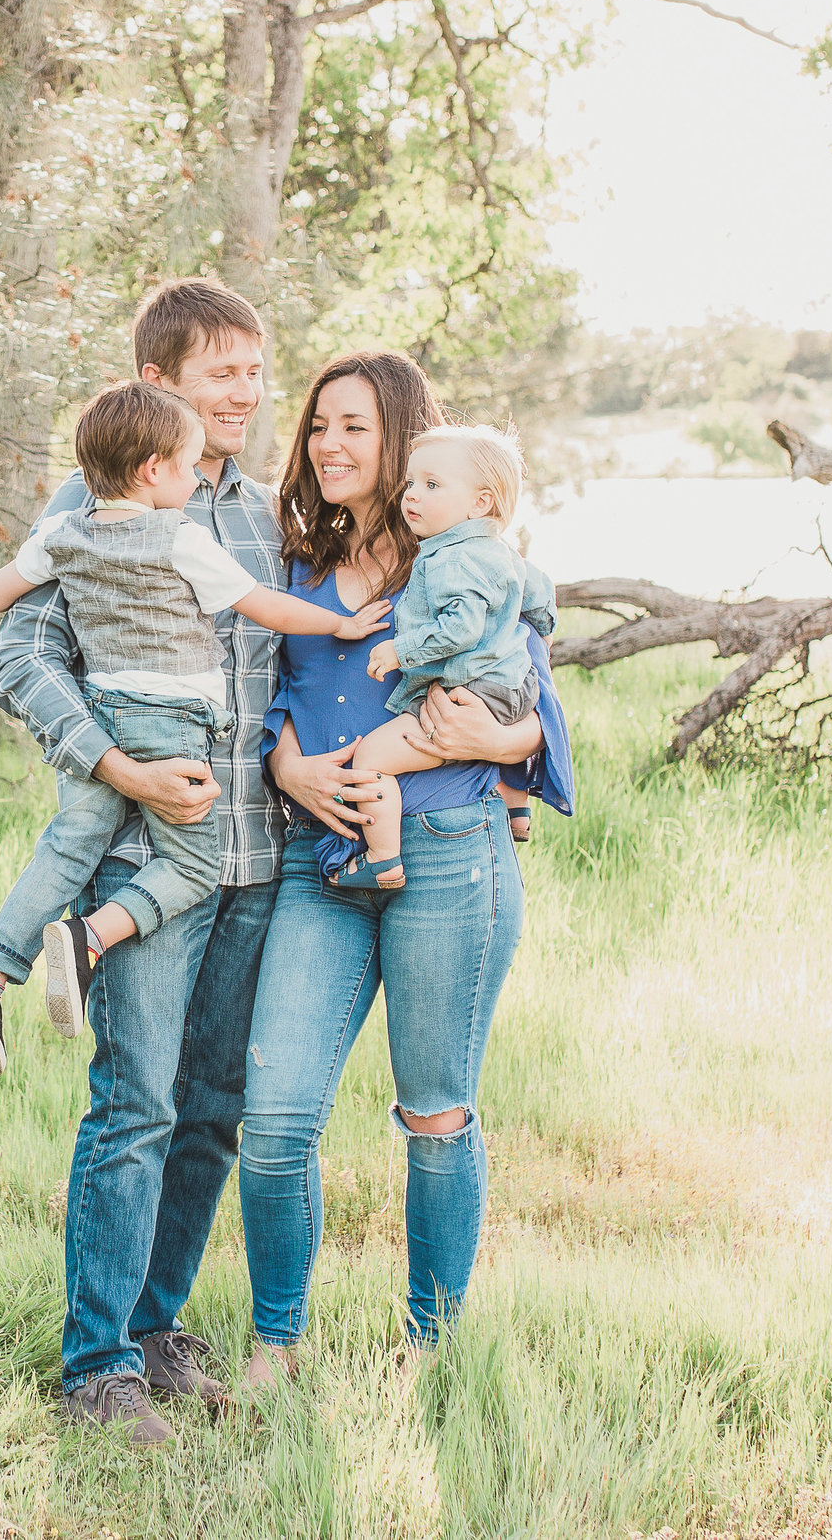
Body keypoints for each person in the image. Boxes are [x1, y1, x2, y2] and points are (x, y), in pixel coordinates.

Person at [0, 287, 544, 1447]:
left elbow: (503, 677)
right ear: (155, 379)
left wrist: (506, 746)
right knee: (135, 1099)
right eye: (219, 374)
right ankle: (97, 1366)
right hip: (156, 847)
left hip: (265, 863)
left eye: (256, 373)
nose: (247, 394)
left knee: (217, 1111)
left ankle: (155, 1328)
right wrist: (121, 770)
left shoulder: (282, 523)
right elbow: (23, 655)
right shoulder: (106, 501)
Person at [239, 351, 575, 1390]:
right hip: (318, 866)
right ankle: (275, 1345)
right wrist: (286, 762)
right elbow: (260, 710)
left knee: (435, 1111)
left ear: (402, 441)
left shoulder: (468, 563)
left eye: (355, 428)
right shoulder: (290, 571)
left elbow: (537, 717)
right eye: (317, 427)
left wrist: (504, 743)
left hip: (446, 858)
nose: (328, 446)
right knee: (276, 1117)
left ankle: (432, 1342)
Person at [0, 382, 390, 1074]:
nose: (195, 480)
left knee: (69, 843)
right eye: (188, 468)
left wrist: (44, 565)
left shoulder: (65, 534)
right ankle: (89, 937)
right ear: (153, 469)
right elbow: (263, 606)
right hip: (171, 727)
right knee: (193, 864)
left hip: (100, 720)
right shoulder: (179, 535)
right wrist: (340, 622)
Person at [318, 427, 558, 890]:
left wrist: (399, 650)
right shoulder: (502, 551)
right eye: (410, 483)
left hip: (471, 688)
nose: (411, 495)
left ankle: (381, 858)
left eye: (431, 485)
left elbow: (460, 628)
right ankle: (517, 809)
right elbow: (542, 593)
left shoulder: (451, 558)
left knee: (370, 759)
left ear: (480, 503)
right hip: (513, 684)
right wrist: (542, 637)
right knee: (499, 731)